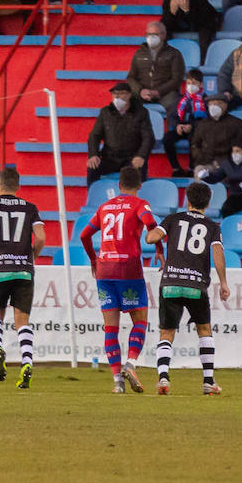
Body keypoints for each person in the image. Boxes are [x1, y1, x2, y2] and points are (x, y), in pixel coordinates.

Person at [81, 166, 159, 394]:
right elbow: (151, 225)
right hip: (129, 269)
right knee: (140, 322)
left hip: (105, 269)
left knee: (110, 328)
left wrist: (94, 260)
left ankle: (117, 382)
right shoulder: (139, 204)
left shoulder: (105, 207)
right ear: (140, 185)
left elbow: (84, 234)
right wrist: (160, 249)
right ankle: (131, 364)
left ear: (119, 185)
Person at [147, 182, 230, 396]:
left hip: (171, 283)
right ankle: (208, 381)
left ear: (187, 199)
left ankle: (163, 377)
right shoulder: (213, 227)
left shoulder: (173, 219)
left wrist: (158, 233)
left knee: (166, 332)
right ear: (209, 202)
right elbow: (218, 254)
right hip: (196, 285)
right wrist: (223, 282)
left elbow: (151, 238)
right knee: (204, 330)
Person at [0, 167, 45, 388]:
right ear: (18, 186)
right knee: (22, 320)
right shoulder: (30, 208)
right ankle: (26, 361)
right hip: (23, 269)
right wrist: (30, 257)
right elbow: (41, 238)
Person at [87, 81, 154, 184]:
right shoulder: (105, 112)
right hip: (110, 158)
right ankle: (93, 197)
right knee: (92, 166)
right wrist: (93, 154)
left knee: (140, 167)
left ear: (129, 95)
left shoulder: (141, 112)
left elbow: (148, 137)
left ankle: (137, 198)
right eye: (114, 94)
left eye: (121, 93)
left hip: (132, 157)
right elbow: (95, 135)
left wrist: (141, 155)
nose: (117, 97)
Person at [127, 21, 184, 114]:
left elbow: (177, 79)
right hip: (142, 93)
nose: (152, 37)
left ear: (164, 35)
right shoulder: (138, 53)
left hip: (165, 94)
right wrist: (140, 91)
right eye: (149, 34)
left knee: (175, 104)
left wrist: (158, 92)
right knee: (126, 101)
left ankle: (172, 128)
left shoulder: (174, 54)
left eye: (156, 34)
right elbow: (131, 77)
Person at [190, 93, 242, 171]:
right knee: (199, 173)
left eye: (218, 103)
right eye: (211, 104)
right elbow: (195, 145)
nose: (214, 106)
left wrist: (228, 161)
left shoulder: (236, 123)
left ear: (225, 105)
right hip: (206, 163)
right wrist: (202, 159)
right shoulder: (202, 124)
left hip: (228, 164)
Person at [164, 69, 207, 177]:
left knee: (195, 139)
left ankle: (191, 168)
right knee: (167, 138)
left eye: (194, 83)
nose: (191, 85)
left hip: (196, 130)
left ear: (201, 84)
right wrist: (177, 125)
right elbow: (172, 115)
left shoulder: (206, 100)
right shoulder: (180, 99)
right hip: (181, 128)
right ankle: (176, 168)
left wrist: (192, 126)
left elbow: (207, 120)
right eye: (188, 83)